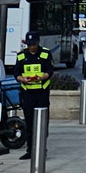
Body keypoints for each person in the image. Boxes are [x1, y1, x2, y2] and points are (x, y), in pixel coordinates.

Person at [13, 31, 53, 160]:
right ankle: (30, 150)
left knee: (42, 123)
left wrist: (42, 77)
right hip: (28, 94)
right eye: (29, 45)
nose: (32, 47)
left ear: (38, 42)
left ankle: (42, 149)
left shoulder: (45, 54)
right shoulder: (21, 56)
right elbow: (16, 73)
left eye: (34, 44)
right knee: (29, 123)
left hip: (42, 93)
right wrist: (22, 79)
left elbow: (50, 71)